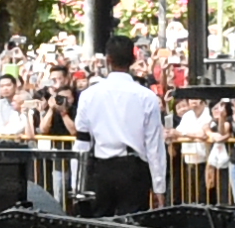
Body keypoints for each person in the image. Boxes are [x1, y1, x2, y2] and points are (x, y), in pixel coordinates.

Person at [71, 32, 166, 215]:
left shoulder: (88, 95)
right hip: (133, 170)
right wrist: (159, 187)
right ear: (133, 58)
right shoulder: (146, 97)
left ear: (108, 59)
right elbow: (154, 146)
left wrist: (77, 183)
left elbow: (82, 141)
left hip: (100, 169)